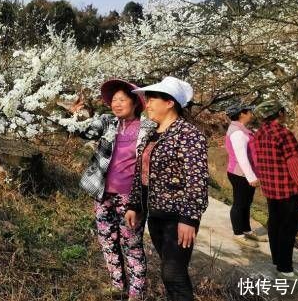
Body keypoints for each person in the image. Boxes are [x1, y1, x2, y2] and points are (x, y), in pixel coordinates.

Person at [124, 76, 209, 301]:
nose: (147, 103)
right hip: (156, 215)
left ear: (170, 102)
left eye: (152, 99)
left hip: (178, 218)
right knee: (168, 270)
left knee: (173, 273)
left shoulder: (189, 135)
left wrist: (189, 219)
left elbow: (197, 179)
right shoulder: (152, 134)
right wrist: (134, 204)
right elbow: (140, 174)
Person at [77, 79, 156, 300]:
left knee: (131, 242)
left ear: (135, 102)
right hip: (103, 194)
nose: (117, 104)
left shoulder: (147, 128)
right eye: (113, 100)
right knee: (107, 239)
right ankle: (117, 284)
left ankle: (136, 293)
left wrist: (140, 201)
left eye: (122, 99)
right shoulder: (107, 122)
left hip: (131, 197)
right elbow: (84, 133)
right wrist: (76, 116)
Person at [248, 100, 298, 278]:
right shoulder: (283, 134)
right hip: (286, 190)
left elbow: (256, 159)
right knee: (288, 228)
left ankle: (277, 259)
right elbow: (295, 164)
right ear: (280, 113)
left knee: (275, 224)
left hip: (270, 188)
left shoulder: (259, 134)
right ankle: (285, 267)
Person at [224, 104, 268, 248]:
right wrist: (251, 177)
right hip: (240, 173)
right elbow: (241, 157)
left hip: (244, 172)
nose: (252, 114)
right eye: (250, 112)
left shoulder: (241, 129)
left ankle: (246, 230)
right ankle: (238, 234)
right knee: (239, 203)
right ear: (242, 114)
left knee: (246, 203)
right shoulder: (237, 132)